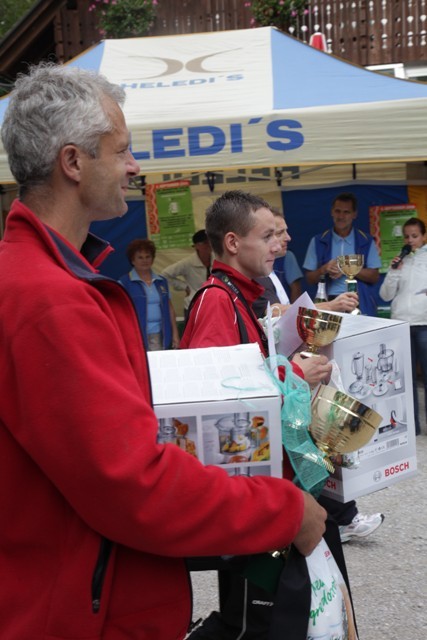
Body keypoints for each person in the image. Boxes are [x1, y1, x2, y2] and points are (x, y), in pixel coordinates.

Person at [0, 63, 328, 640]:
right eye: (121, 150)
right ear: (73, 163)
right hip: (75, 614)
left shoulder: (44, 279)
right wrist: (282, 510)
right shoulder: (49, 299)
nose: (134, 166)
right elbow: (130, 484)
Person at [181, 191, 339, 640]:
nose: (278, 244)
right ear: (232, 242)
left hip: (261, 481)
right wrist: (294, 373)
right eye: (267, 235)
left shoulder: (238, 295)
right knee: (251, 622)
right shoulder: (217, 300)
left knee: (261, 615)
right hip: (250, 488)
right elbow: (216, 402)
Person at [253, 208, 385, 544]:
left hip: (293, 373)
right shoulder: (253, 277)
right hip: (284, 379)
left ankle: (339, 516)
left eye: (282, 232)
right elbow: (275, 316)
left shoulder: (271, 271)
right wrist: (331, 306)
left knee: (315, 445)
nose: (286, 239)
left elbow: (283, 314)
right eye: (275, 233)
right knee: (309, 447)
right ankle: (335, 518)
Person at [252, 208, 360, 318]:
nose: (288, 238)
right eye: (280, 233)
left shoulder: (268, 271)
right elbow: (273, 311)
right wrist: (330, 306)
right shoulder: (256, 272)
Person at [379, 217, 427, 436]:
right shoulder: (400, 260)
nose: (410, 240)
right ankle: (412, 429)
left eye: (415, 236)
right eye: (407, 236)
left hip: (425, 323)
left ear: (424, 236)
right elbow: (385, 295)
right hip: (402, 324)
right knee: (405, 379)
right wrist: (394, 270)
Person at [303, 192, 381, 316]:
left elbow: (374, 276)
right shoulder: (318, 241)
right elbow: (309, 279)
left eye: (346, 212)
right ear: (332, 212)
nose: (341, 216)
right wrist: (324, 269)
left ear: (354, 214)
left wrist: (346, 268)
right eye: (338, 211)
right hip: (329, 302)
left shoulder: (366, 240)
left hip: (358, 301)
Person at [120, 238, 180, 350]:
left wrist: (175, 334)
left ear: (152, 259)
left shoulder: (162, 281)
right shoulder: (124, 283)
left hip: (161, 335)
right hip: (136, 336)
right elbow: (120, 313)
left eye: (148, 257)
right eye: (140, 257)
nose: (145, 260)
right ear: (132, 260)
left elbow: (170, 309)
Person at [161, 228, 212, 316]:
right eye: (205, 243)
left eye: (210, 242)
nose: (209, 245)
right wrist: (184, 287)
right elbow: (164, 275)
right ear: (196, 246)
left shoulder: (218, 259)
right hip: (194, 306)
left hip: (214, 304)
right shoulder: (188, 263)